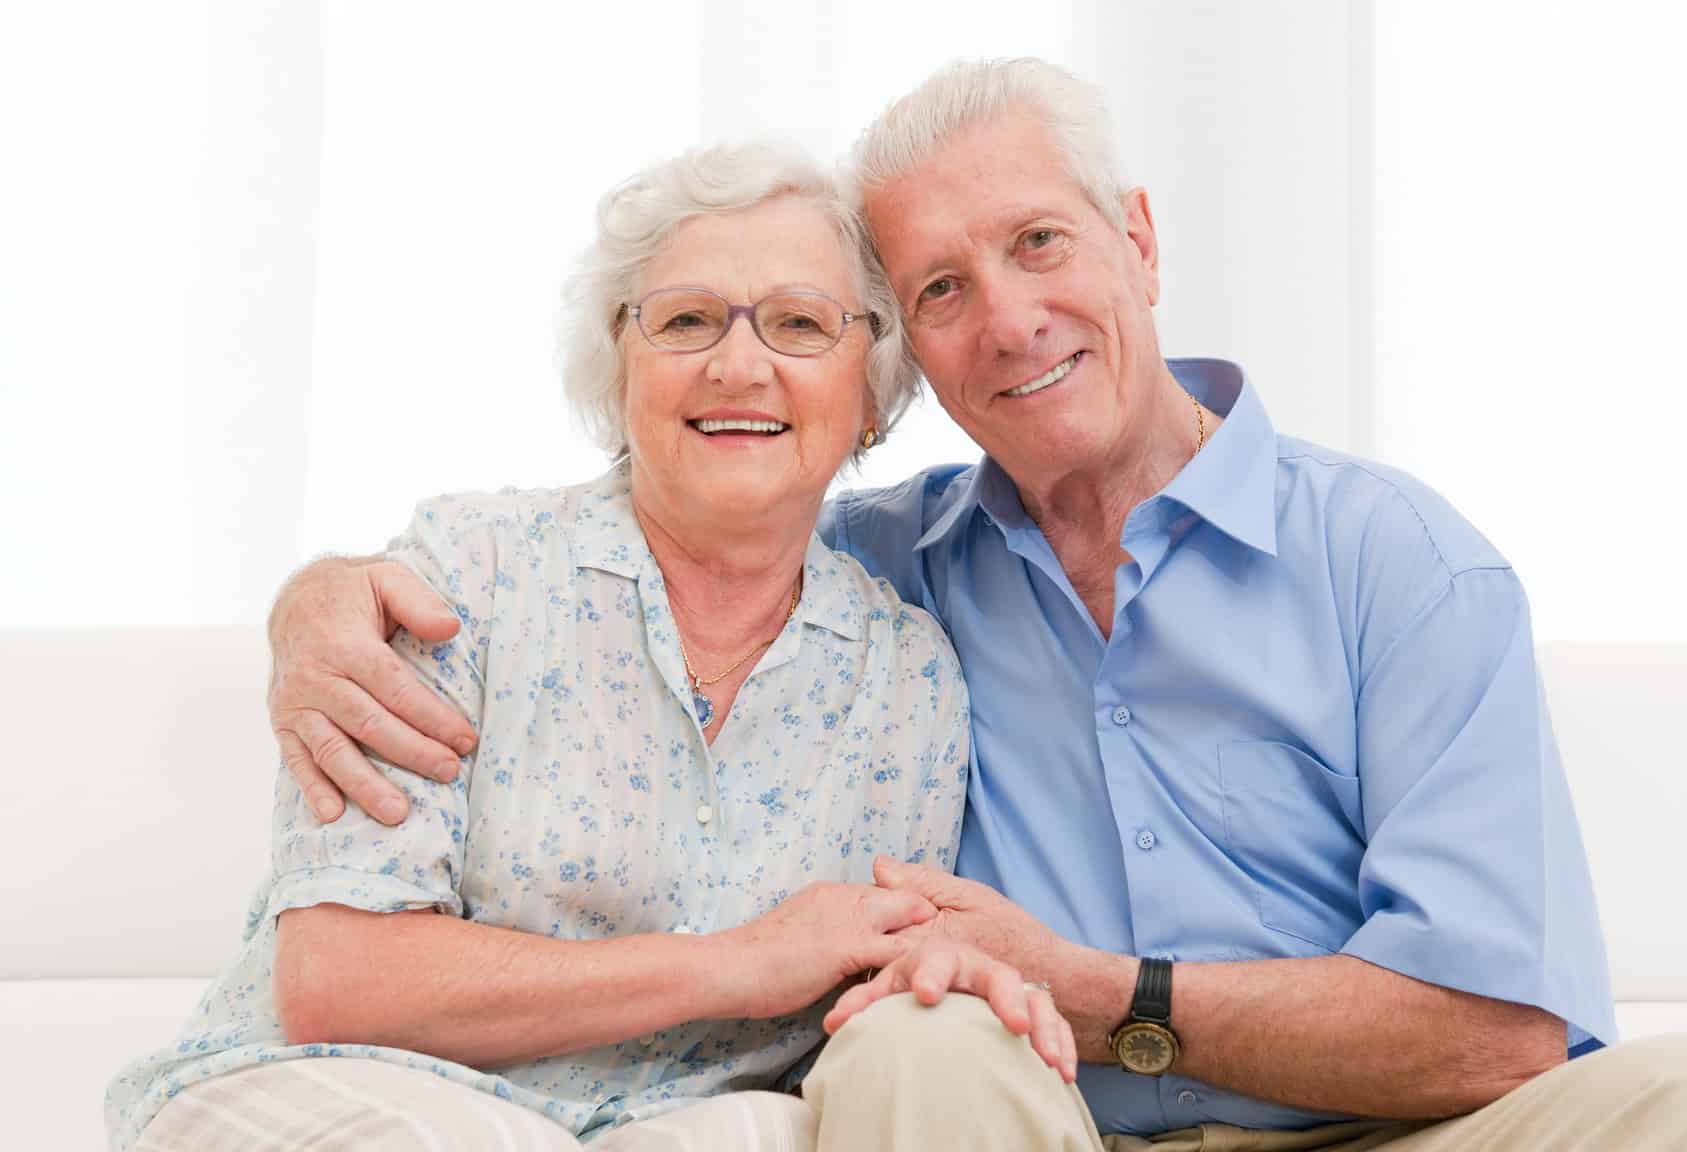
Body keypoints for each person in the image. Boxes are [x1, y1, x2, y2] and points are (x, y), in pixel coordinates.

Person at [263, 59, 1687, 1151]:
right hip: (1037, 1129)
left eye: (1038, 242)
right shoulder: (877, 578)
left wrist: (1102, 991)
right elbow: (685, 515)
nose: (1009, 319)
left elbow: (1494, 1035)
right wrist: (321, 602)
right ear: (904, 357)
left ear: (1136, 243)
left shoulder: (1395, 562)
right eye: (942, 288)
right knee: (912, 1048)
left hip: (1400, 1137)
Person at [106, 140, 1087, 1152]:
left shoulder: (907, 677)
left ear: (872, 395)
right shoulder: (463, 576)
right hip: (342, 1095)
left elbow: (872, 987)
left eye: (799, 324)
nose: (737, 364)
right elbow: (335, 981)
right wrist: (738, 963)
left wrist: (947, 969)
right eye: (686, 320)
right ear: (617, 371)